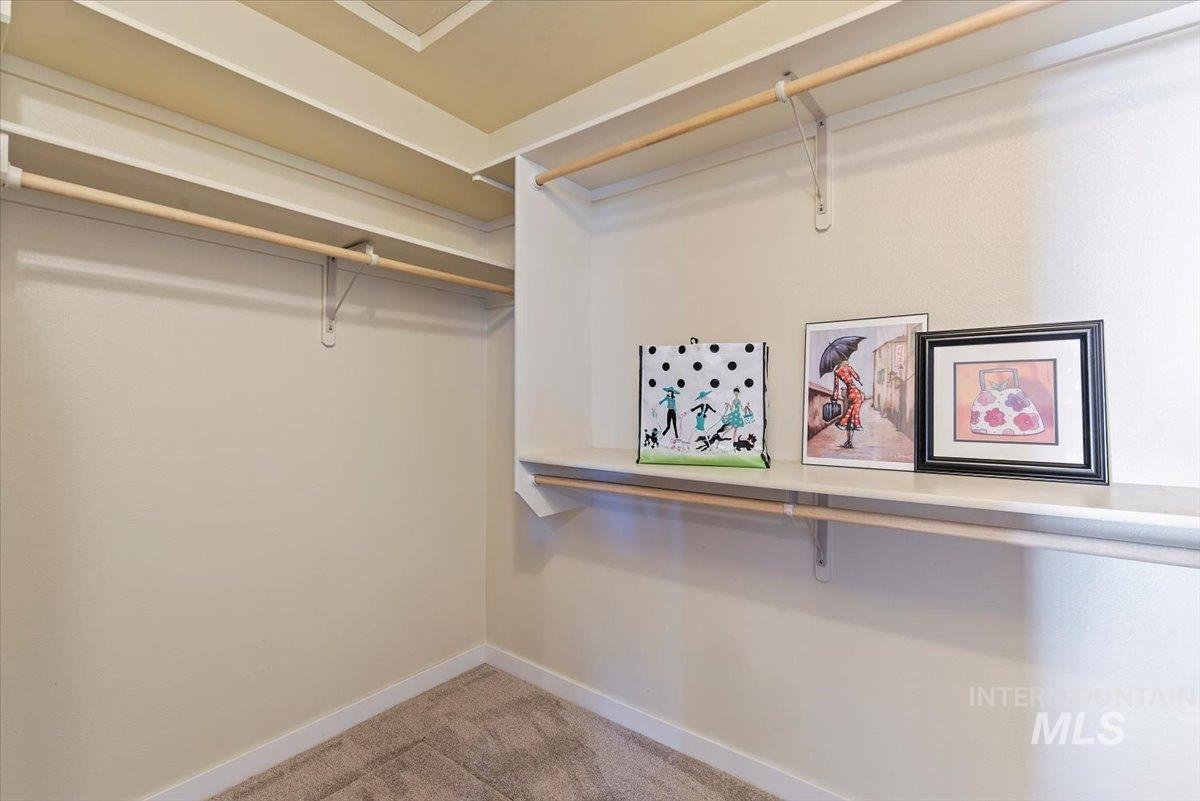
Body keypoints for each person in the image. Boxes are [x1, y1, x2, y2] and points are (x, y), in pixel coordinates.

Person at [832, 359, 864, 448]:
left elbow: (836, 387)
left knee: (850, 418)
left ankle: (849, 441)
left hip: (849, 394)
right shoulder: (848, 367)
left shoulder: (836, 371)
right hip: (856, 393)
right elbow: (856, 377)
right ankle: (849, 440)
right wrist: (858, 379)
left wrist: (834, 398)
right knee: (852, 417)